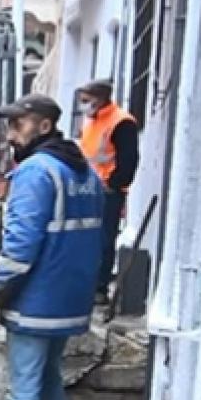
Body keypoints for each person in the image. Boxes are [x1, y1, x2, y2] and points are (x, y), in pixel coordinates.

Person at [0, 93, 104, 400]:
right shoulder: (85, 172)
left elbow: (19, 248)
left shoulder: (35, 173)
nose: (11, 135)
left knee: (24, 387)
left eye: (19, 125)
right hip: (70, 300)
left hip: (37, 302)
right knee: (50, 379)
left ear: (45, 126)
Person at [76, 79, 138, 303]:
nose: (83, 105)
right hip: (87, 188)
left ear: (100, 99)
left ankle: (99, 288)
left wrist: (114, 183)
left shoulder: (121, 122)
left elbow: (128, 159)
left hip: (107, 191)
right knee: (85, 238)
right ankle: (84, 284)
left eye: (86, 100)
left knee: (102, 239)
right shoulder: (91, 121)